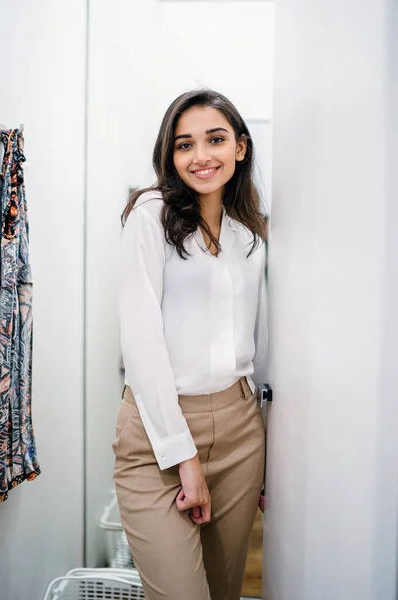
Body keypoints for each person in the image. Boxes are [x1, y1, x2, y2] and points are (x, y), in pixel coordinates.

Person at [112, 89, 268, 600]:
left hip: (242, 428)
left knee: (223, 592)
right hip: (157, 433)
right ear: (169, 155)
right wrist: (184, 457)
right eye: (185, 145)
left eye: (215, 140)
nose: (200, 156)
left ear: (240, 148)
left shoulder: (252, 233)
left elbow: (259, 337)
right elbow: (141, 343)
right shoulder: (151, 215)